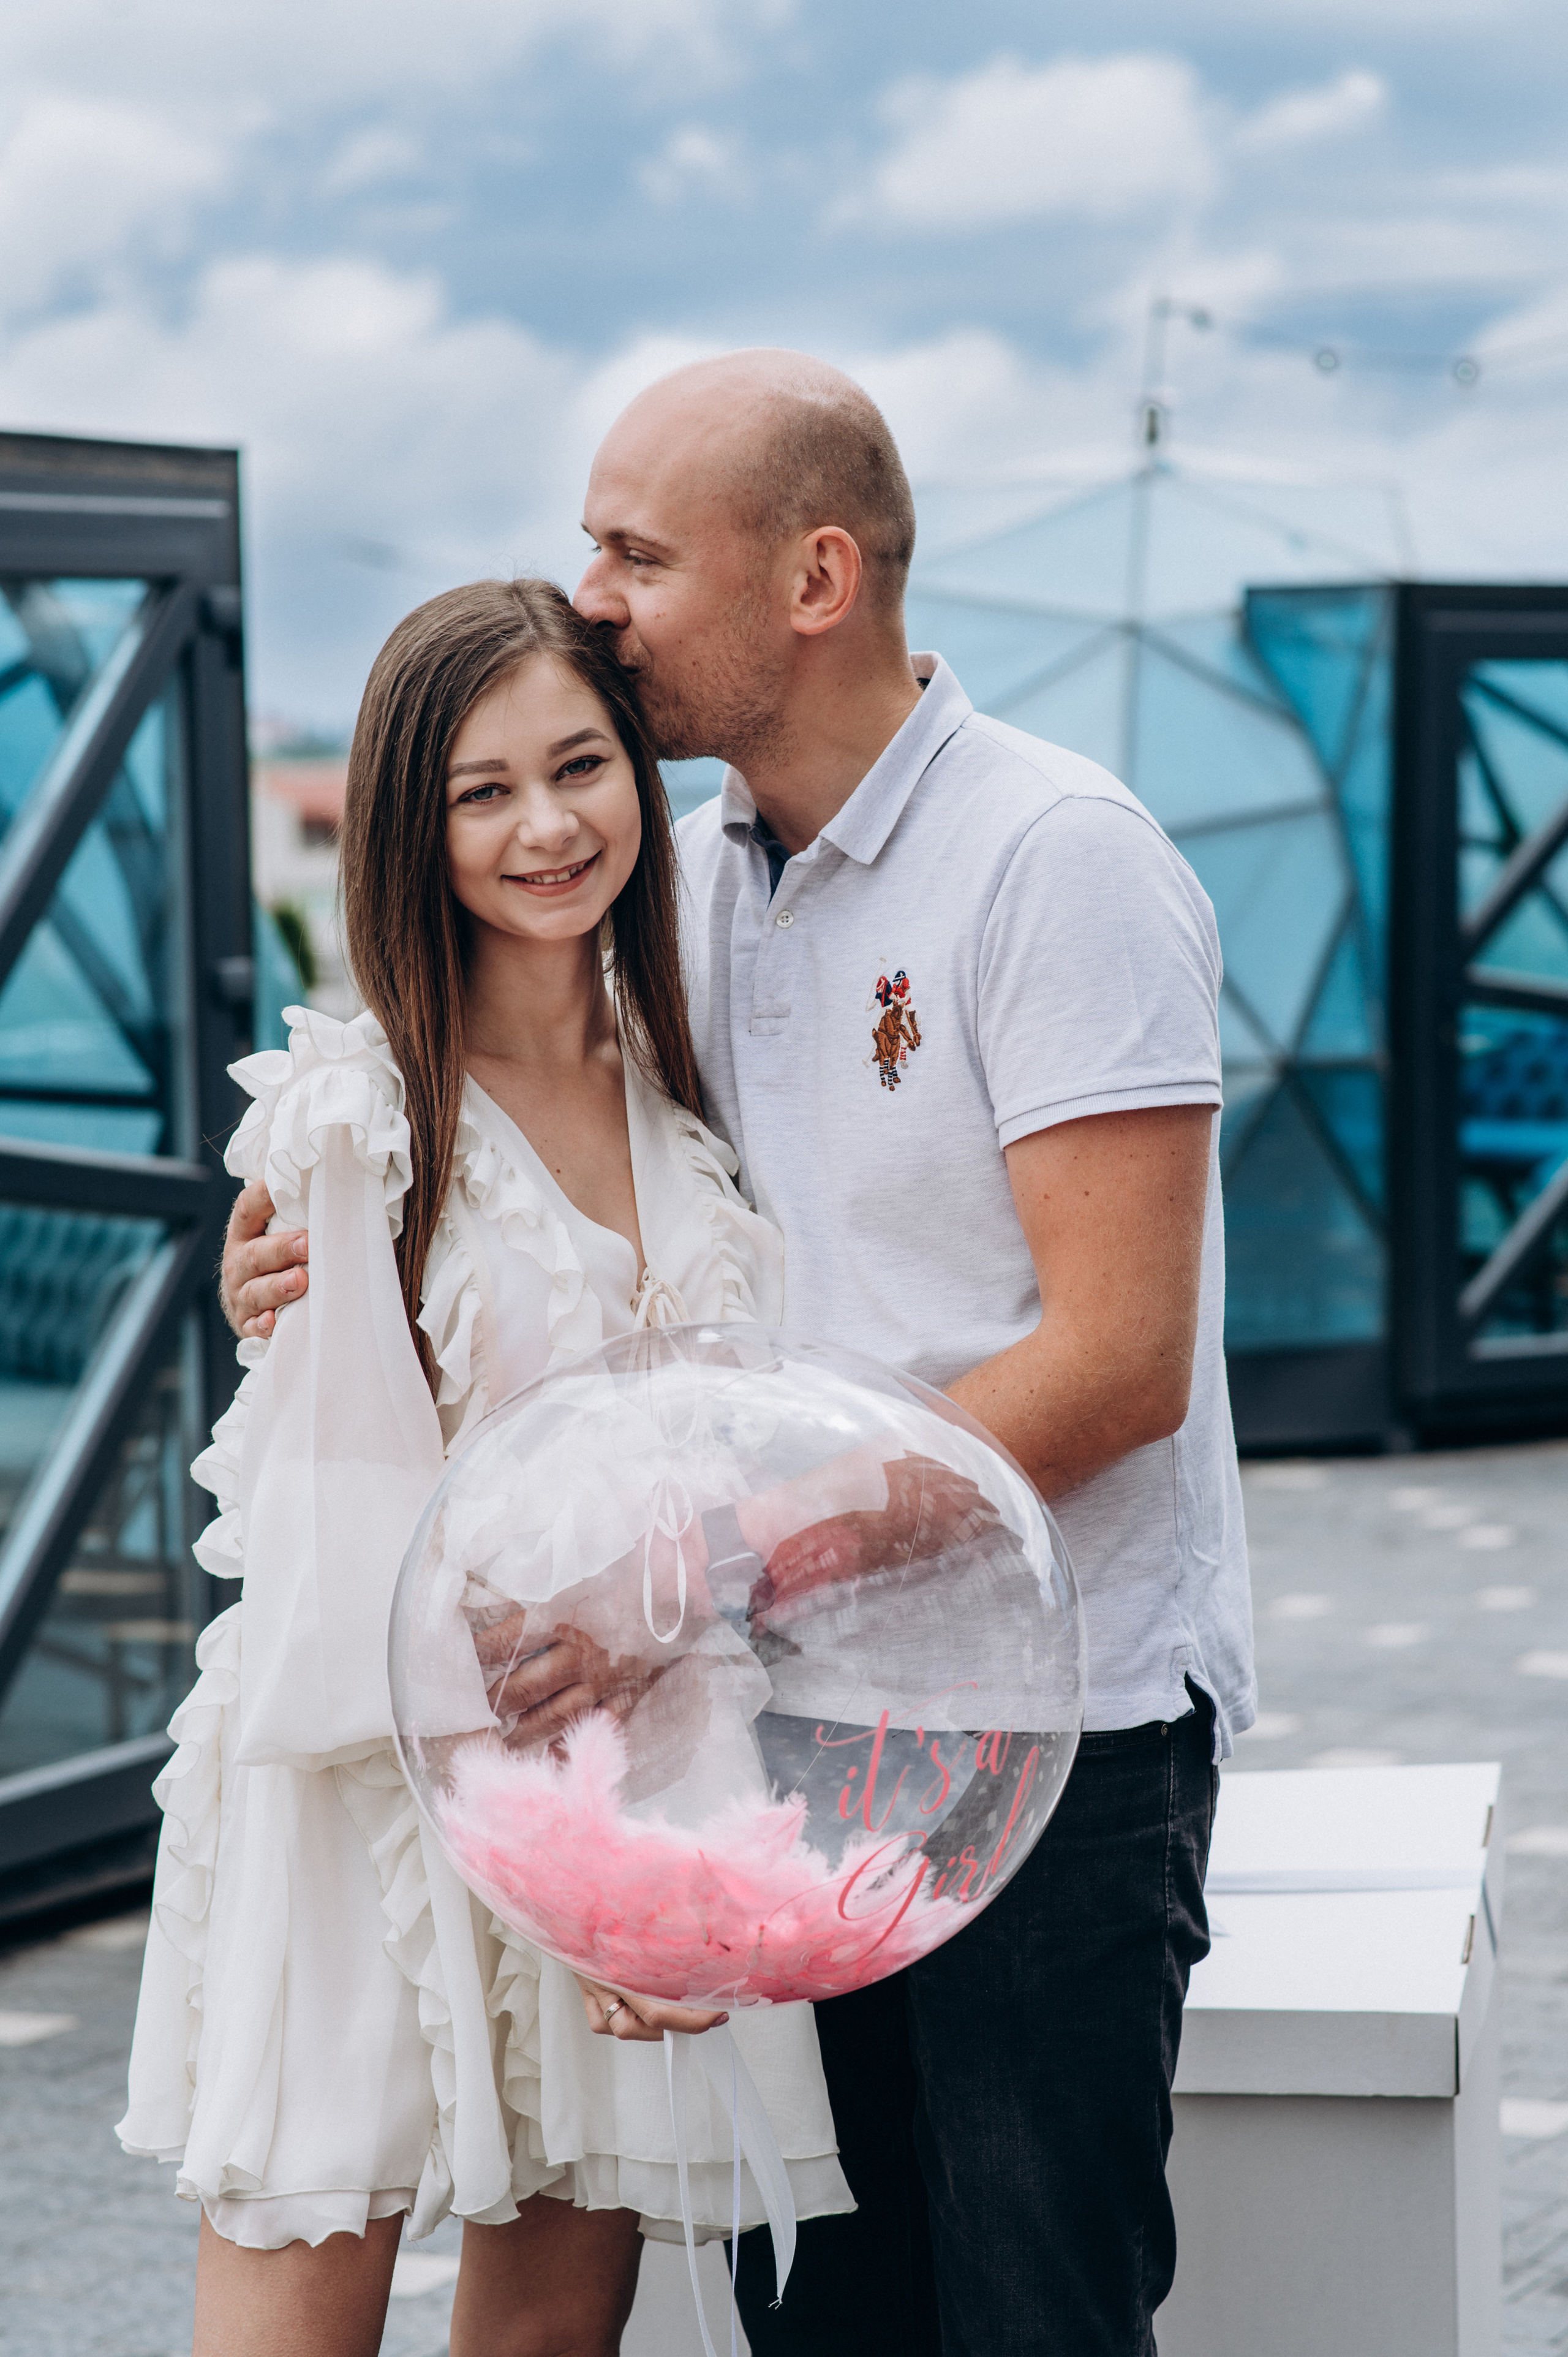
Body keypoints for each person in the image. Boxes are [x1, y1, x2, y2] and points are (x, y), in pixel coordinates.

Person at [222, 350, 1256, 2357]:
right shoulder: (690, 890)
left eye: (636, 554)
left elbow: (1122, 1364)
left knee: (1035, 2319)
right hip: (781, 1742)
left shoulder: (1057, 858)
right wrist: (293, 1231)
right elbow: (499, 1147)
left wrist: (688, 1580)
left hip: (1050, 1745)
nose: (592, 597)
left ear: (816, 577)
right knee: (832, 2322)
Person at [119, 578, 853, 2357]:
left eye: (581, 766)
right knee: (303, 2300)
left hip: (632, 1756)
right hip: (377, 1774)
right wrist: (557, 1869)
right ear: (407, 823)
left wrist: (631, 1855)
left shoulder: (691, 1091)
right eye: (481, 790)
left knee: (550, 2330)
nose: (546, 827)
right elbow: (342, 1552)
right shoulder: (356, 1122)